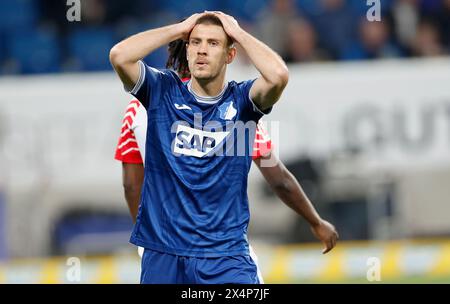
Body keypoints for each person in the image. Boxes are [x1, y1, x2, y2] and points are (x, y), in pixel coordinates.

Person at [110, 11, 303, 283]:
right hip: (164, 255)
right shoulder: (161, 91)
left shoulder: (243, 101)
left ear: (230, 55)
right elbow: (119, 55)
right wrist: (179, 29)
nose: (202, 50)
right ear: (186, 49)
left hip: (225, 257)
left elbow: (278, 75)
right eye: (195, 42)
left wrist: (238, 33)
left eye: (213, 43)